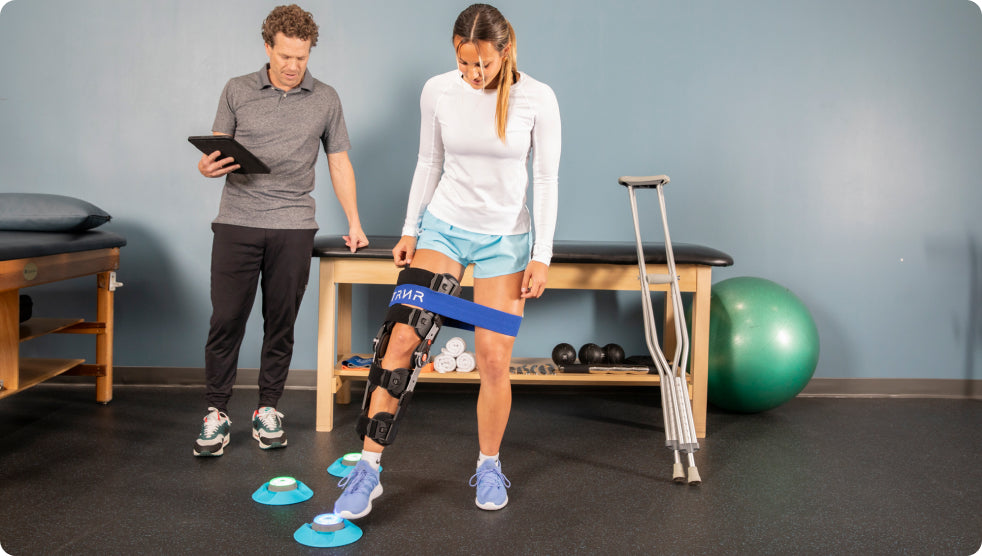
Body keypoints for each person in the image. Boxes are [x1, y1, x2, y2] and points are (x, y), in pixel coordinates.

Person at [333, 3, 560, 516]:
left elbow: (545, 180)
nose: (474, 75)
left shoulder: (537, 98)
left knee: (494, 360)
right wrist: (412, 228)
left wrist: (541, 255)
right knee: (401, 337)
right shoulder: (437, 90)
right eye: (464, 64)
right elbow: (428, 161)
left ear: (505, 51)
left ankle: (488, 464)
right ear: (454, 53)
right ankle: (367, 469)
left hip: (506, 240)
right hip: (445, 228)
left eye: (483, 64)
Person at [193, 4, 368, 457]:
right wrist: (206, 166)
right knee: (226, 320)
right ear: (268, 46)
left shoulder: (326, 98)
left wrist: (354, 222)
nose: (293, 67)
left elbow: (338, 161)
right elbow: (216, 149)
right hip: (237, 219)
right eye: (285, 56)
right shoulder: (236, 89)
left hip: (294, 224)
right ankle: (216, 412)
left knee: (280, 323)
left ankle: (267, 408)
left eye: (302, 57)